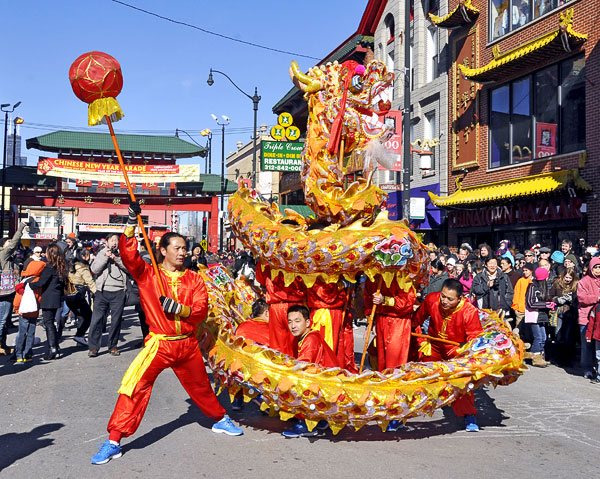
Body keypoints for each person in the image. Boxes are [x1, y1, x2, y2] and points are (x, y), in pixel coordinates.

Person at [91, 202, 242, 466]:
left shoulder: (194, 279)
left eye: (185, 248)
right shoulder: (148, 274)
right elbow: (129, 255)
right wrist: (130, 222)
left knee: (201, 387)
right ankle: (114, 441)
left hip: (187, 345)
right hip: (159, 345)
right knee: (134, 387)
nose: (183, 253)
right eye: (178, 248)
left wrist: (180, 309)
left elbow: (200, 310)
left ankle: (219, 419)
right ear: (162, 251)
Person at [412, 279, 484, 431]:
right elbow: (417, 318)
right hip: (434, 346)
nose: (444, 301)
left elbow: (475, 338)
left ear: (459, 299)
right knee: (421, 378)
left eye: (449, 299)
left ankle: (469, 416)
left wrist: (468, 349)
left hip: (456, 350)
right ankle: (404, 415)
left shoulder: (469, 311)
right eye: (443, 296)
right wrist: (411, 332)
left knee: (461, 383)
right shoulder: (432, 299)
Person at [282, 304, 338, 438]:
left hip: (329, 385)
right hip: (328, 382)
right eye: (290, 322)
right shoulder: (305, 336)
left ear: (307, 322)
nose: (293, 325)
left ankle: (306, 424)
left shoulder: (311, 339)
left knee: (295, 382)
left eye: (297, 321)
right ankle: (322, 418)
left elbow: (303, 366)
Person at [364, 274, 417, 371]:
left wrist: (385, 300)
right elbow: (367, 298)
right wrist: (370, 322)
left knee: (394, 361)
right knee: (381, 359)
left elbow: (408, 301)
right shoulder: (373, 274)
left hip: (397, 322)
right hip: (380, 319)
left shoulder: (401, 275)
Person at [88, 233, 128, 357]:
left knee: (116, 321)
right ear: (107, 242)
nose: (114, 243)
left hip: (119, 291)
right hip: (102, 291)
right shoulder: (102, 252)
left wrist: (116, 259)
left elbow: (129, 269)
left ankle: (113, 346)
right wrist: (106, 257)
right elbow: (94, 269)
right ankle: (93, 348)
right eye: (112, 240)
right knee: (97, 320)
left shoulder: (123, 254)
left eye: (116, 240)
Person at [255, 261, 306, 356]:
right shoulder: (299, 256)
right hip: (294, 304)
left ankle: (280, 368)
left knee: (277, 345)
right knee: (295, 345)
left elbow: (260, 278)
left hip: (276, 306)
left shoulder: (266, 258)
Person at [29, 243, 67, 360]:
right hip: (56, 298)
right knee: (50, 323)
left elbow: (41, 283)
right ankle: (55, 346)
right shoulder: (61, 266)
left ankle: (52, 348)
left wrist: (28, 284)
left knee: (48, 323)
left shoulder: (49, 267)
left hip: (48, 298)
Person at [0, 221, 28, 354]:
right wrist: (21, 227)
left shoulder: (11, 259)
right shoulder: (3, 254)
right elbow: (13, 243)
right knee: (2, 320)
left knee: (5, 321)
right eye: (8, 242)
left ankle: (3, 345)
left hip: (9, 291)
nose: (11, 244)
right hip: (4, 292)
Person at [13, 260, 45, 364]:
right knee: (31, 333)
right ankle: (27, 354)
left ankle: (19, 355)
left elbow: (18, 298)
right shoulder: (40, 281)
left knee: (22, 333)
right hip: (34, 312)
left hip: (24, 312)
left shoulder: (25, 281)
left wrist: (16, 308)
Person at [66, 248, 97, 347]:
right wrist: (97, 292)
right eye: (88, 255)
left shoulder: (72, 265)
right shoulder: (83, 268)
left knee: (80, 316)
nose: (90, 257)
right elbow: (90, 282)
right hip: (78, 295)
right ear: (83, 256)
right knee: (88, 316)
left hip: (69, 294)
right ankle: (79, 335)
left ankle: (79, 337)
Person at [576, 256, 600, 379]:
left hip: (598, 319)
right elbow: (582, 298)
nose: (598, 270)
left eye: (599, 268)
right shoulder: (583, 281)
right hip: (586, 317)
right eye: (595, 267)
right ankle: (587, 368)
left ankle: (597, 367)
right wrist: (597, 298)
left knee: (598, 346)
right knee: (587, 344)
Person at [524, 267, 554, 367]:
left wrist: (549, 304)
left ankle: (540, 356)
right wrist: (545, 305)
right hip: (534, 315)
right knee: (538, 337)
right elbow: (530, 303)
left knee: (543, 337)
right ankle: (535, 358)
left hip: (541, 315)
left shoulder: (543, 287)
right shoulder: (532, 286)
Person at [549, 268, 579, 366]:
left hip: (570, 313)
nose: (567, 280)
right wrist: (557, 300)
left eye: (570, 278)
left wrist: (572, 300)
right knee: (558, 335)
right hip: (559, 312)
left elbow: (578, 300)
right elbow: (550, 296)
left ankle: (567, 359)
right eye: (566, 277)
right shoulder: (557, 283)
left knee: (568, 336)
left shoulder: (576, 286)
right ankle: (557, 358)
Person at [512, 264, 534, 334]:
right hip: (520, 309)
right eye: (523, 270)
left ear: (531, 271)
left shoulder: (534, 281)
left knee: (529, 329)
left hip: (531, 309)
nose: (525, 272)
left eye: (526, 270)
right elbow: (516, 293)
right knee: (519, 328)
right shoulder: (520, 280)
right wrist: (516, 306)